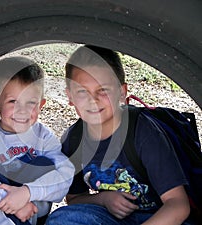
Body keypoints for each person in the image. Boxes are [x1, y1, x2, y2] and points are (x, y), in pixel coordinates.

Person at [46, 45, 195, 225]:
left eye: (103, 90)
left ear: (122, 92)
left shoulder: (143, 133)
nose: (93, 100)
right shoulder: (74, 139)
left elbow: (178, 204)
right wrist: (103, 200)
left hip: (161, 218)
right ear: (70, 96)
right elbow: (75, 198)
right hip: (112, 218)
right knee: (62, 219)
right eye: (82, 92)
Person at [0, 56, 74, 225]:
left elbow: (65, 175)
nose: (22, 110)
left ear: (41, 105)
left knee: (45, 164)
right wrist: (12, 203)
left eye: (31, 102)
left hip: (29, 216)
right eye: (12, 101)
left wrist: (27, 193)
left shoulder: (43, 137)